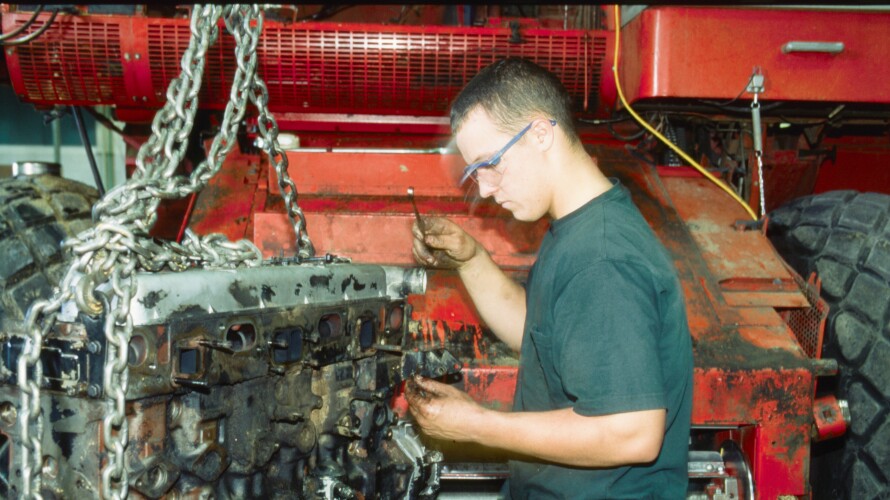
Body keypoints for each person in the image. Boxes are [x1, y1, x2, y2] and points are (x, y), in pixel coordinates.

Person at [406, 57, 693, 499]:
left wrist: (478, 425)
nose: (485, 189)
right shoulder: (577, 228)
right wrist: (471, 259)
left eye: (490, 163)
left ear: (541, 133)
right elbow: (542, 334)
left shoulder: (602, 258)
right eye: (474, 173)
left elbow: (631, 432)